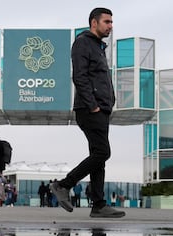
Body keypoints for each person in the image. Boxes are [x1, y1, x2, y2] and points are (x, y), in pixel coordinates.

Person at [49, 8, 124, 218]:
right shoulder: (83, 43)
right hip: (90, 109)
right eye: (107, 22)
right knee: (103, 153)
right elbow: (79, 76)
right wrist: (93, 105)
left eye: (111, 22)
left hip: (101, 108)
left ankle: (99, 205)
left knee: (98, 156)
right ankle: (64, 185)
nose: (111, 26)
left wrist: (110, 101)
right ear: (94, 23)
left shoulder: (98, 46)